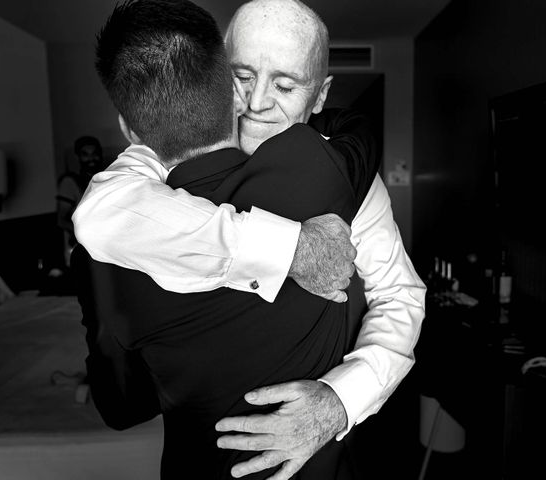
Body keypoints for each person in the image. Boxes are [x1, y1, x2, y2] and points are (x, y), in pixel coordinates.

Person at [73, 0, 426, 478]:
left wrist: (340, 402)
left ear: (319, 97)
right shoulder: (149, 171)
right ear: (219, 75)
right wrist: (290, 248)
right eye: (242, 76)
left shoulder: (346, 175)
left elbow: (399, 293)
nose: (256, 102)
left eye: (284, 84)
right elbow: (99, 214)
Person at [56, 135, 104, 266]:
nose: (91, 159)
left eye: (94, 154)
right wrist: (89, 235)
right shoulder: (70, 182)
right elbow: (61, 220)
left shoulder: (105, 178)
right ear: (78, 157)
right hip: (83, 249)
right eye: (85, 155)